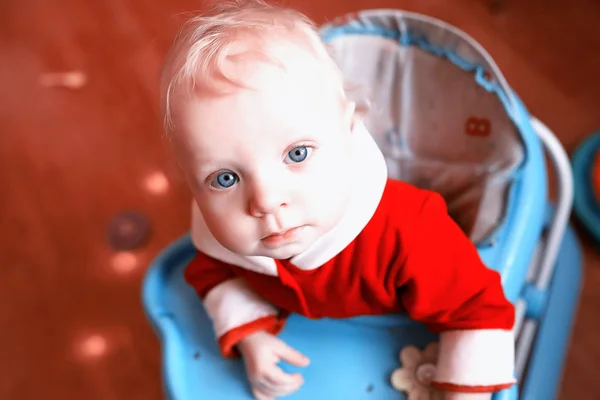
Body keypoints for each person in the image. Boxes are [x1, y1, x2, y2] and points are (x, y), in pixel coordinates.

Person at [159, 1, 517, 399]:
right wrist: (251, 334)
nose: (266, 200)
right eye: (225, 178)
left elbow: (477, 309)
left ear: (348, 132)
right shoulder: (221, 235)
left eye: (297, 153)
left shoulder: (410, 230)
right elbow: (214, 272)